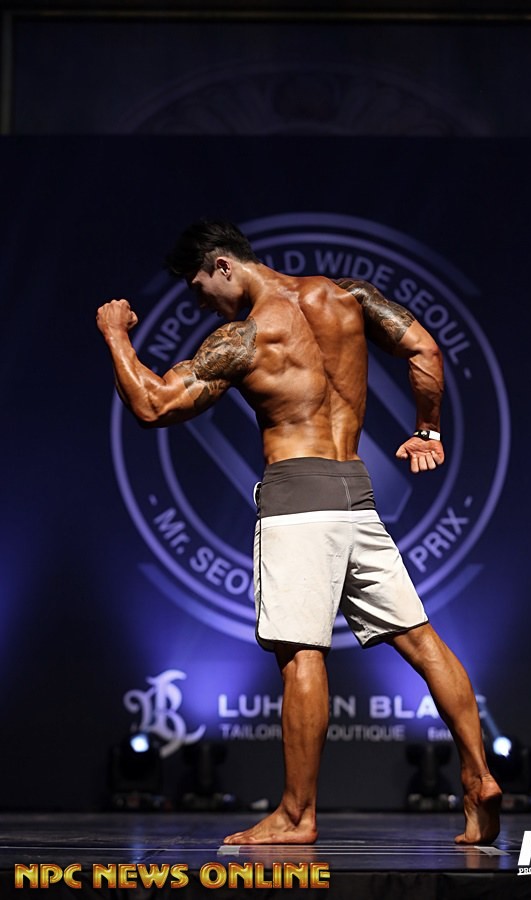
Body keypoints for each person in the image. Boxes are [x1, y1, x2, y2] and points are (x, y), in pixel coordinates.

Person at [96, 219, 501, 846]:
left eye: (200, 288)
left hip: (296, 505)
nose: (200, 303)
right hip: (356, 496)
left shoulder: (247, 336)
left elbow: (154, 404)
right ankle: (478, 777)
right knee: (423, 643)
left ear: (224, 265)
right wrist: (428, 429)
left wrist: (115, 335)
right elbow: (425, 349)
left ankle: (296, 815)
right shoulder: (347, 296)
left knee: (302, 655)